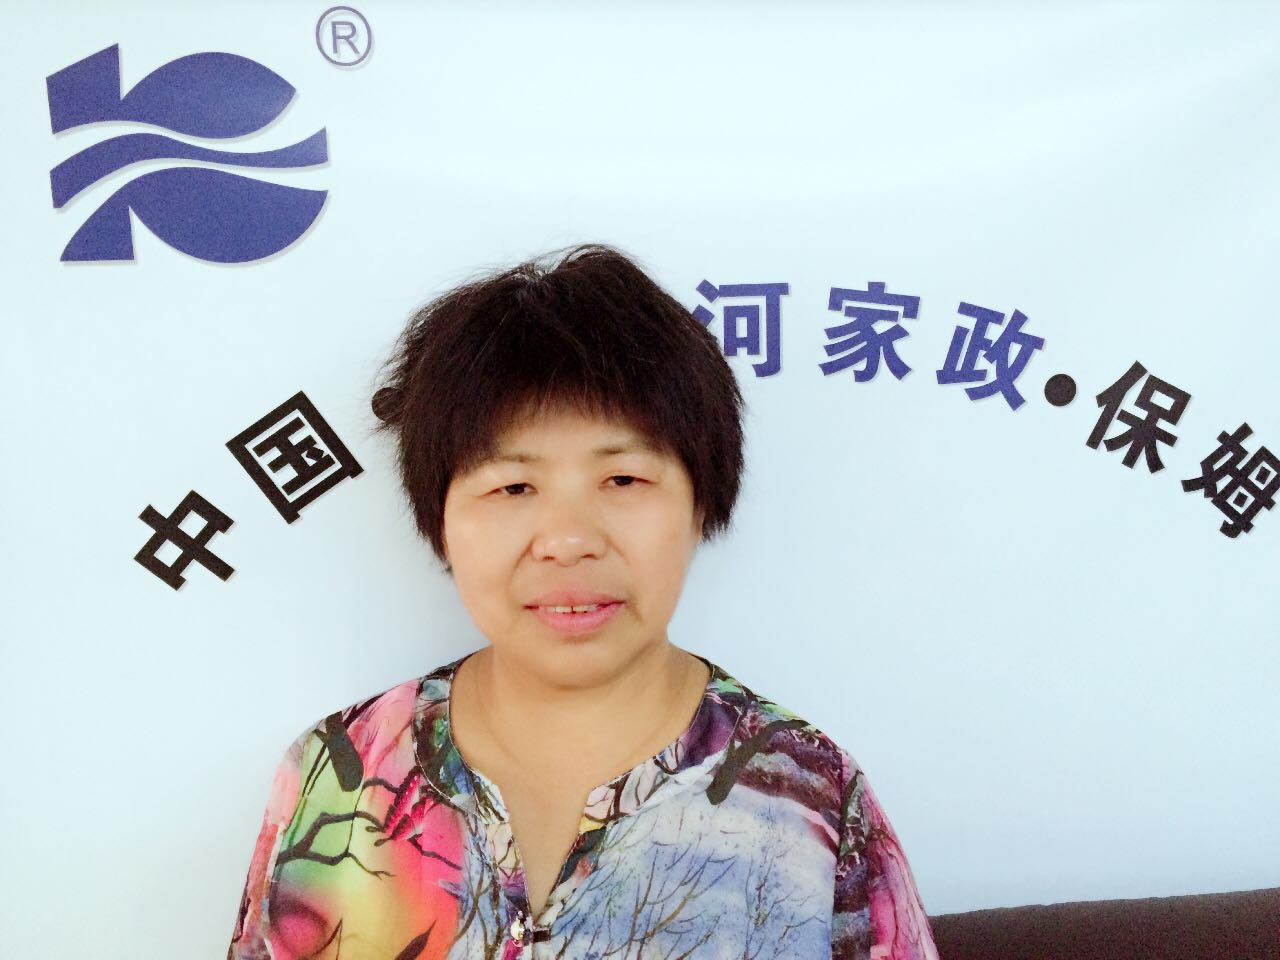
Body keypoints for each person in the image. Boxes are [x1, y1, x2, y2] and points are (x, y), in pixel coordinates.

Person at [226, 244, 939, 959]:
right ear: (440, 520)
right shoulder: (335, 773)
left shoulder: (812, 799)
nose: (567, 541)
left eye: (624, 480)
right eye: (512, 487)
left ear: (701, 506)